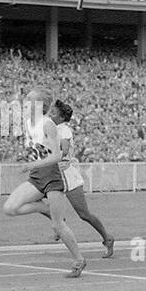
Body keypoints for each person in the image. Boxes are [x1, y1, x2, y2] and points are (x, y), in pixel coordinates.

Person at [2, 90, 86, 277]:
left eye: (30, 99)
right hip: (37, 175)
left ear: (39, 104)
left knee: (58, 226)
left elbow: (57, 156)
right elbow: (38, 149)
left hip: (53, 177)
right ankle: (44, 208)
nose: (26, 101)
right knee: (9, 208)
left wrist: (31, 163)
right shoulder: (28, 124)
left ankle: (79, 260)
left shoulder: (48, 124)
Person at [53, 100, 115, 258]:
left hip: (67, 175)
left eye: (54, 113)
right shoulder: (53, 128)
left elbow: (65, 150)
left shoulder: (63, 130)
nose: (51, 115)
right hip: (55, 175)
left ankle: (107, 238)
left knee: (84, 214)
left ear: (61, 117)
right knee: (37, 199)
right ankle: (59, 223)